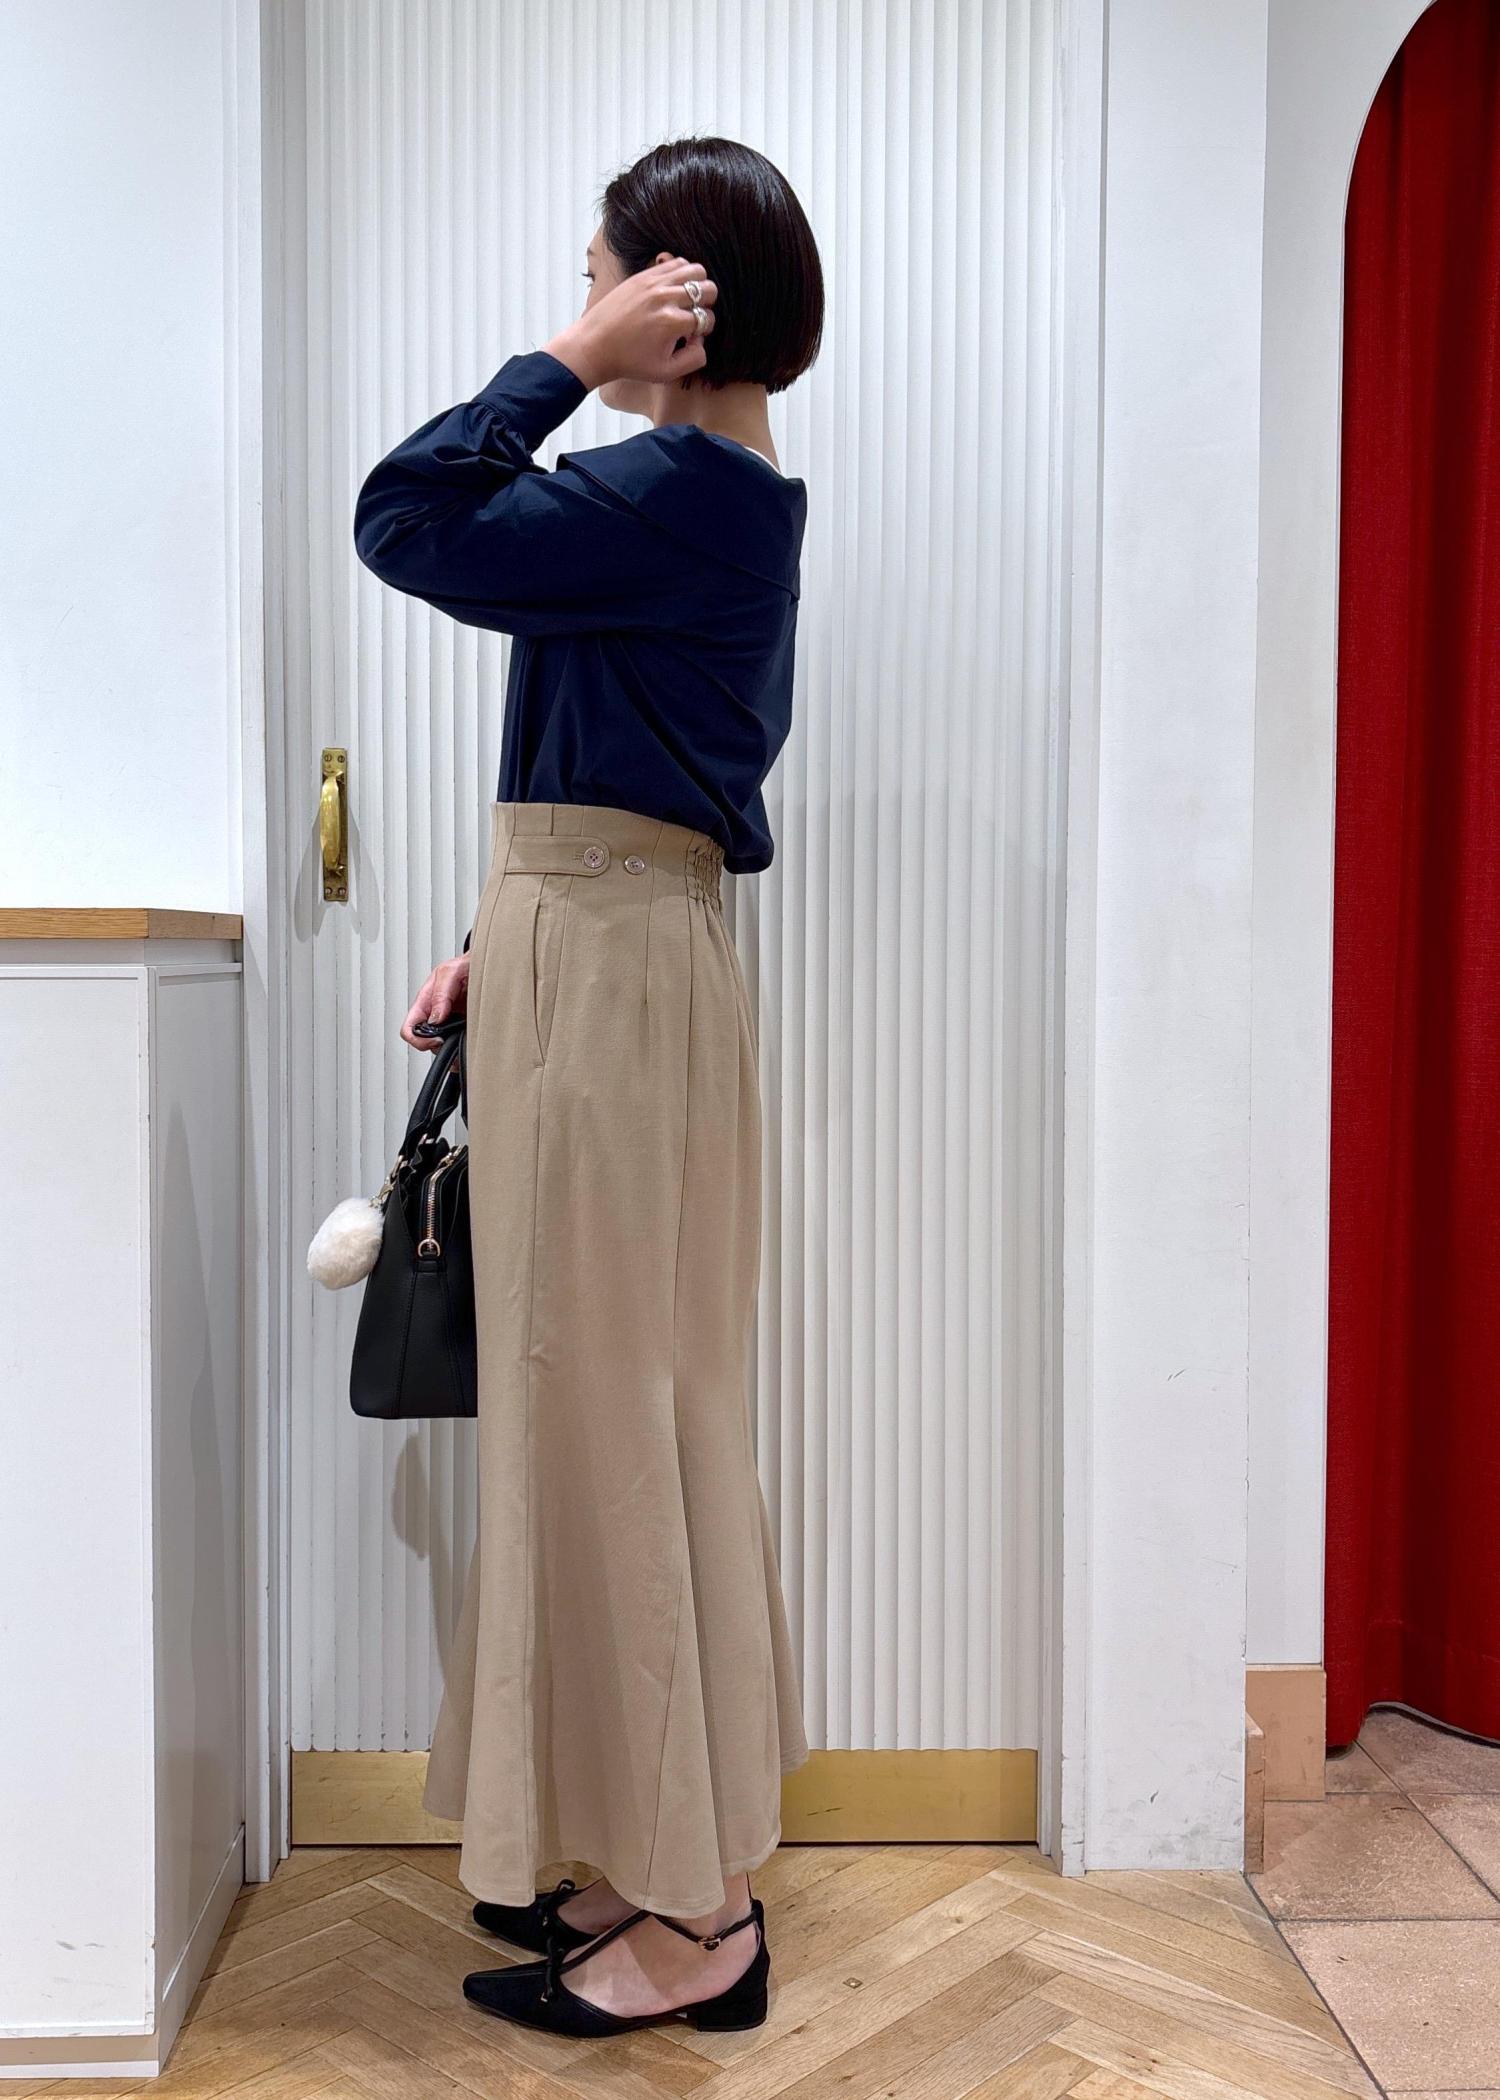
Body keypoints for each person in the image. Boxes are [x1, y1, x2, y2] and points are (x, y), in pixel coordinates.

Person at [352, 135, 822, 2039]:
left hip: (614, 966)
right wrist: (506, 933)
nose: (590, 297)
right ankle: (654, 1853)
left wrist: (563, 360)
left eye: (609, 272)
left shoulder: (681, 491)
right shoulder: (696, 501)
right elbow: (619, 753)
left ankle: (704, 1923)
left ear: (679, 300)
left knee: (617, 1409)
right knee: (615, 1402)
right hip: (605, 946)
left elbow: (407, 516)